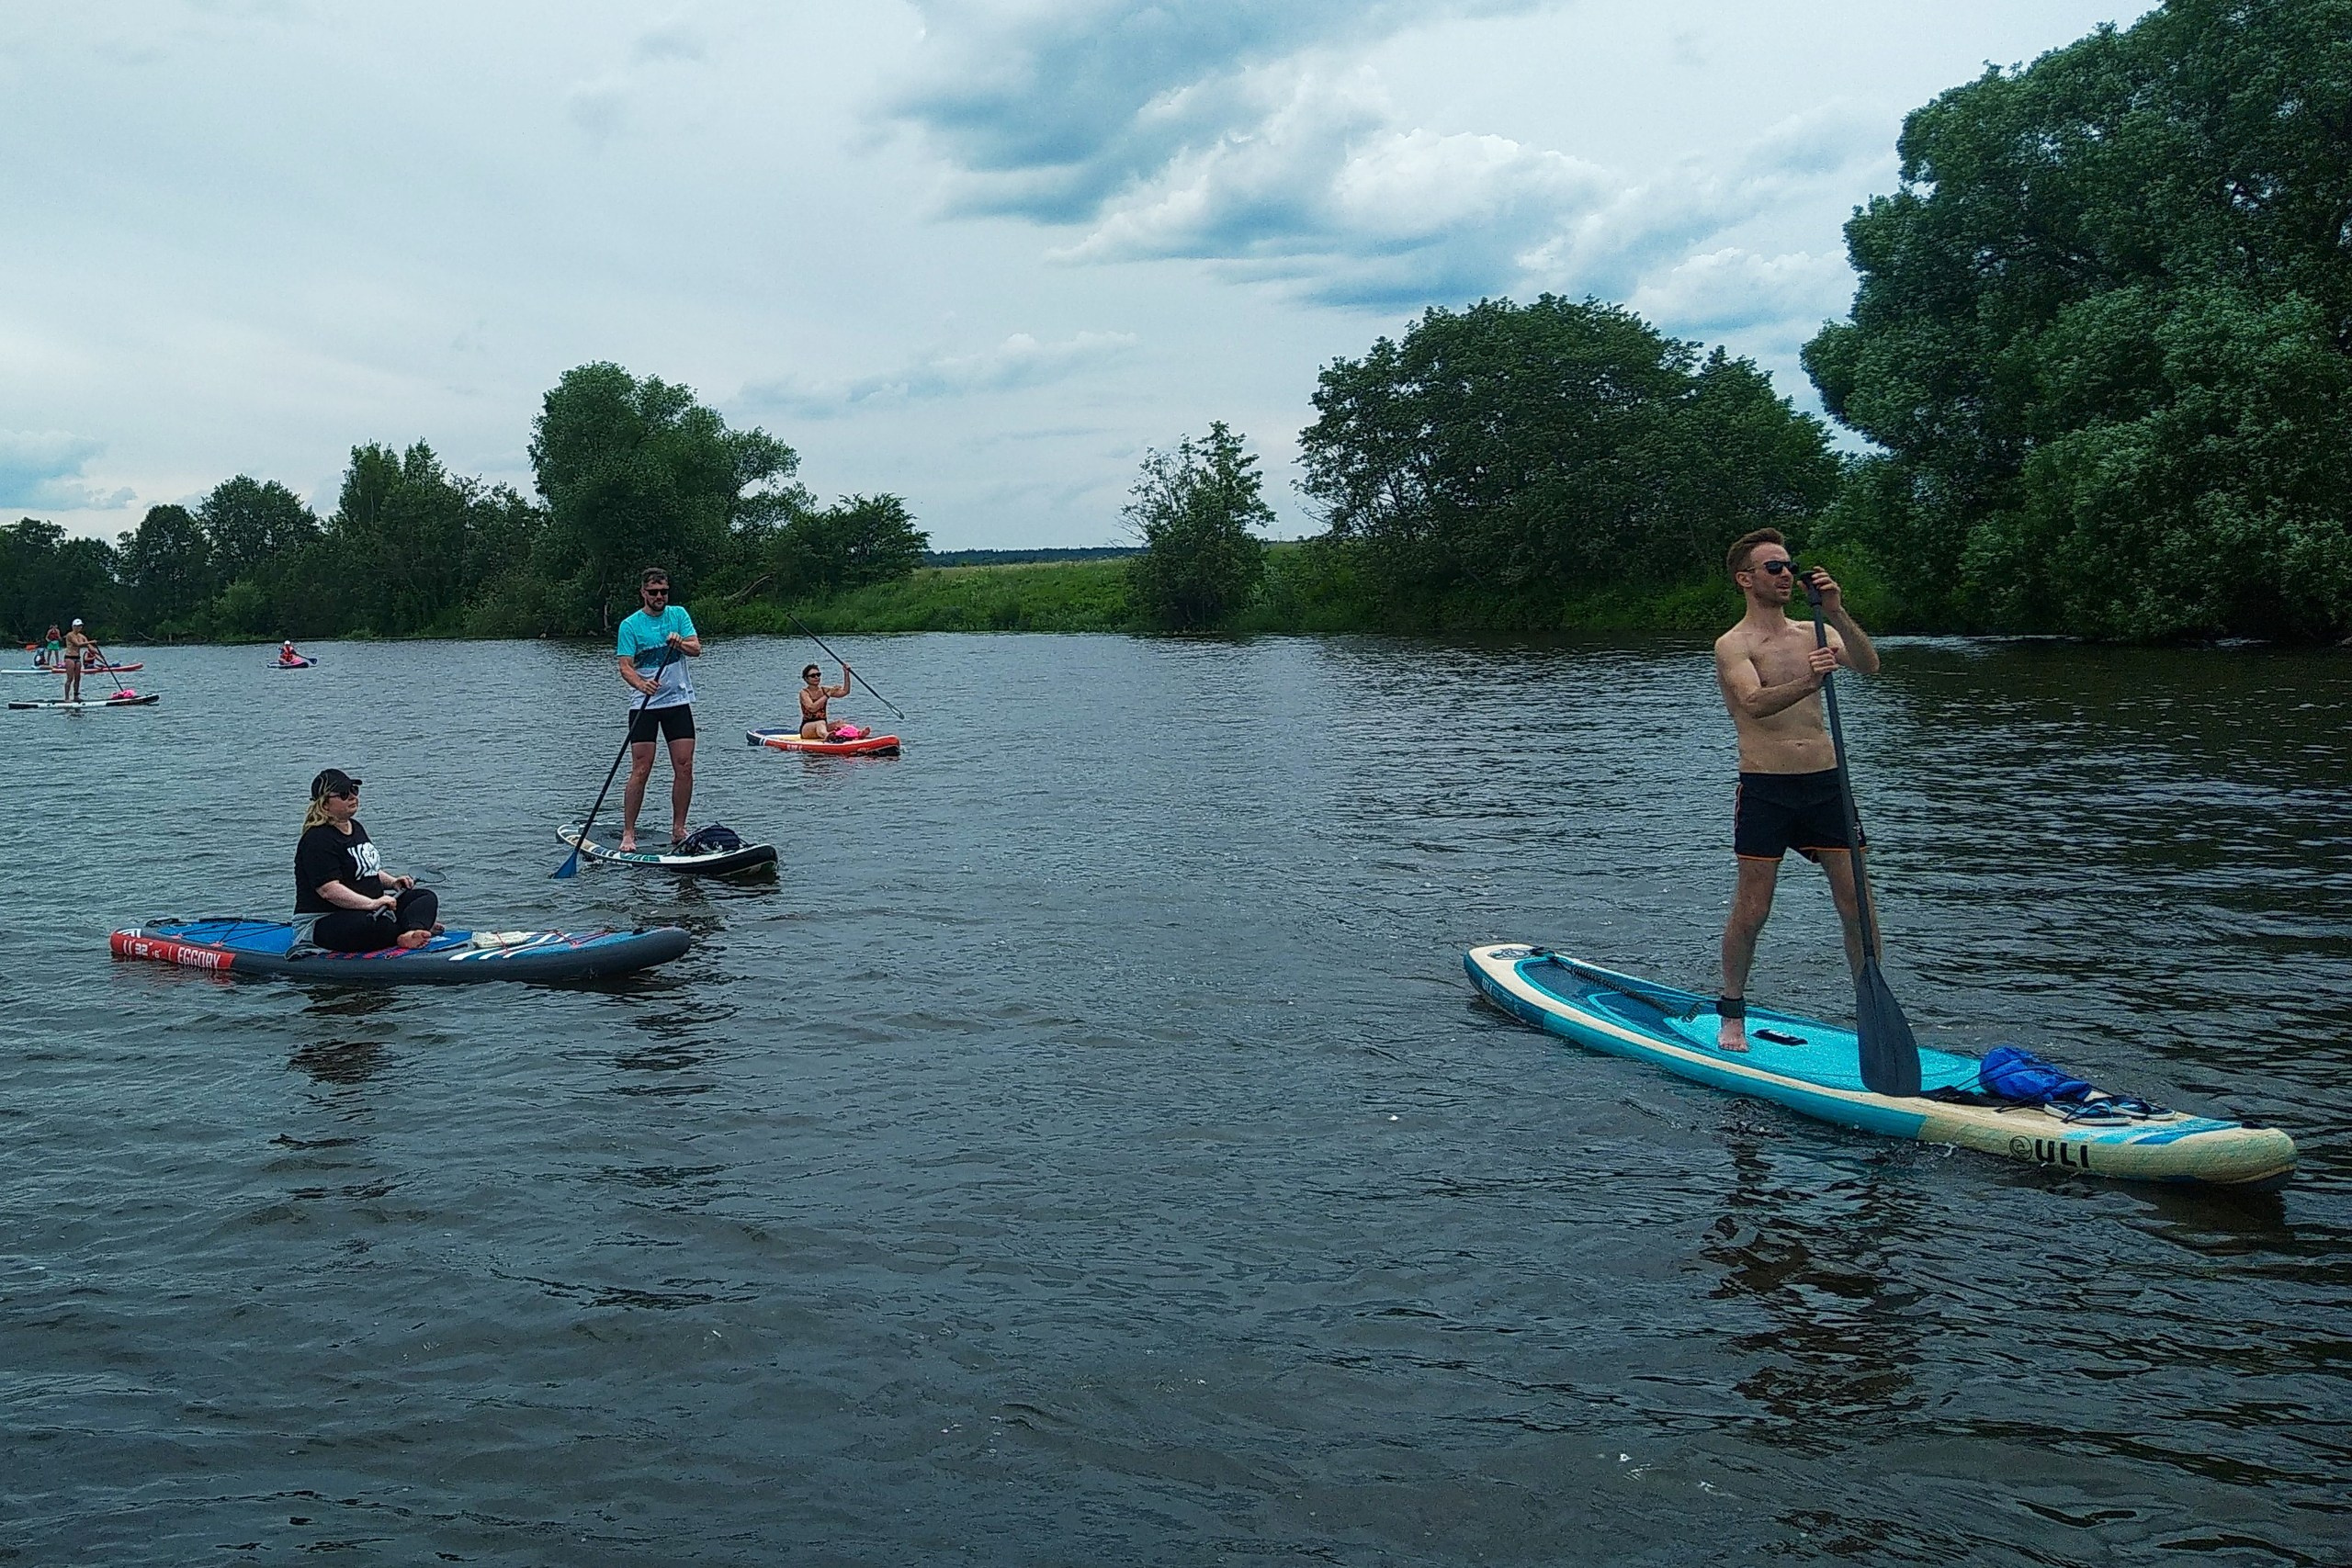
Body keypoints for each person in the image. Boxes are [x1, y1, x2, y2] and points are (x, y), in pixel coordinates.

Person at [1713, 528, 1883, 1053]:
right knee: (1754, 908)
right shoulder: (1734, 644)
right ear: (1746, 579)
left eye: (1789, 566)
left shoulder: (1813, 631)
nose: (1786, 574)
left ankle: (1872, 1012)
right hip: (1766, 788)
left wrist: (1835, 612)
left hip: (1827, 786)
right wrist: (1810, 683)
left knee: (1858, 904)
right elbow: (1754, 703)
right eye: (1773, 568)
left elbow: (1870, 665)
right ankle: (1733, 1013)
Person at [294, 769, 440, 952]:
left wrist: (393, 882)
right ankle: (406, 929)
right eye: (344, 794)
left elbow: (367, 869)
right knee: (368, 924)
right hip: (326, 918)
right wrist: (371, 904)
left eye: (354, 790)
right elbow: (328, 890)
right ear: (325, 805)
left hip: (371, 908)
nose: (353, 797)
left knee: (425, 897)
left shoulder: (356, 828)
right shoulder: (317, 839)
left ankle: (411, 931)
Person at [615, 567, 701, 852]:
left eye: (663, 591)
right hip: (645, 705)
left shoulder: (678, 615)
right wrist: (641, 684)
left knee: (684, 767)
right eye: (653, 592)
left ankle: (678, 828)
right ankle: (629, 833)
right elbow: (625, 666)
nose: (659, 596)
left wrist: (680, 643)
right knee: (641, 768)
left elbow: (696, 648)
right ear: (643, 593)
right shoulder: (630, 625)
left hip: (677, 701)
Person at [797, 661, 855, 739]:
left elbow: (845, 692)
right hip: (807, 728)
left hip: (823, 725)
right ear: (806, 679)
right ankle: (827, 736)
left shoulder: (824, 690)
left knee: (840, 724)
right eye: (813, 675)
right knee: (820, 723)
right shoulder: (804, 693)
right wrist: (828, 695)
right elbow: (812, 708)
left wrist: (846, 673)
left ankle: (856, 734)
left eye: (818, 675)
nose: (816, 677)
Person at [60, 619, 96, 703]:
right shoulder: (70, 635)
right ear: (73, 627)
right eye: (77, 626)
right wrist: (91, 642)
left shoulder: (82, 636)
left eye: (80, 626)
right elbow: (78, 644)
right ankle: (67, 697)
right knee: (70, 678)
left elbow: (89, 646)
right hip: (69, 658)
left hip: (77, 658)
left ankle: (76, 696)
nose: (79, 627)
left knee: (78, 678)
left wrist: (96, 653)